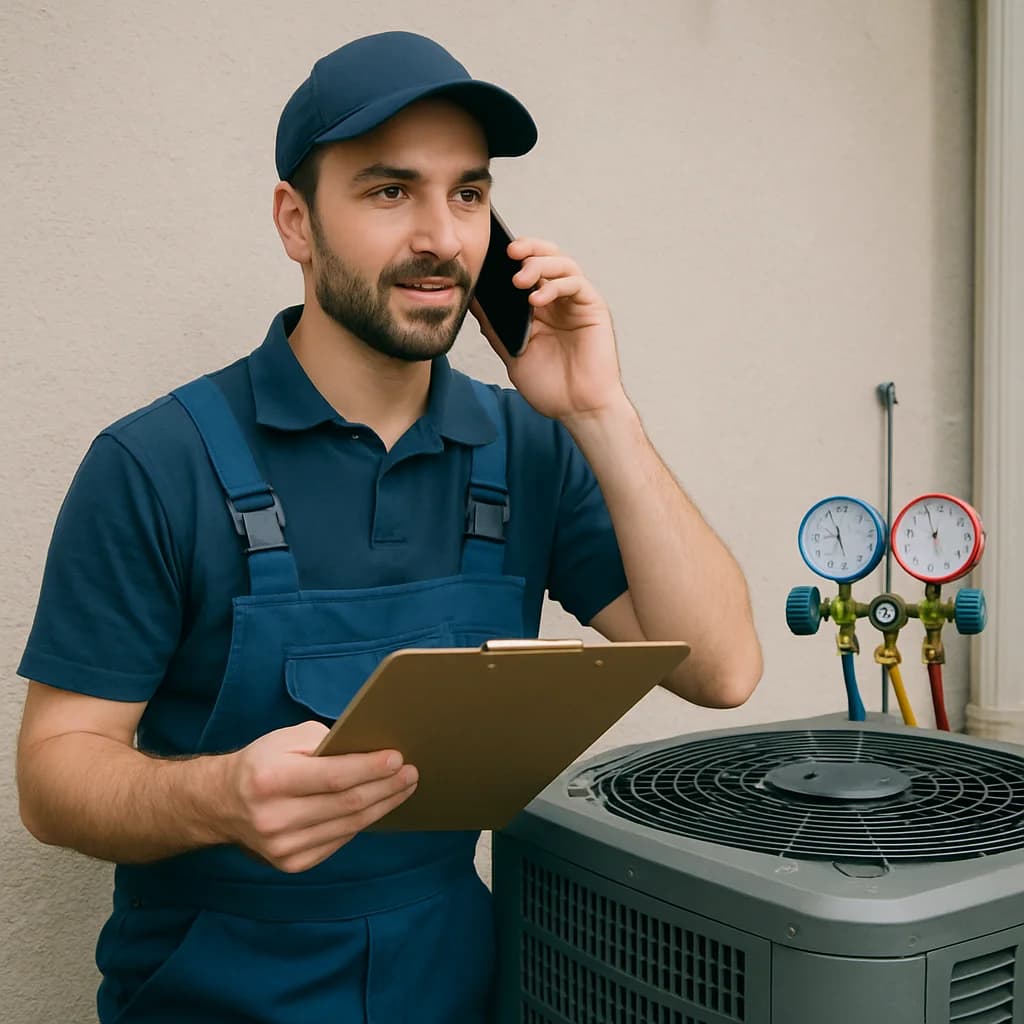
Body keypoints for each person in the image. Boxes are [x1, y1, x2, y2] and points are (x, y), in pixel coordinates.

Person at [15, 30, 762, 1024]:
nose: (442, 238)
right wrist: (219, 796)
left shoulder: (527, 449)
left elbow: (719, 671)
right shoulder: (156, 463)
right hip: (208, 997)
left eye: (467, 193)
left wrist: (599, 411)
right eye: (388, 190)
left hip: (459, 986)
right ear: (295, 221)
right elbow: (55, 771)